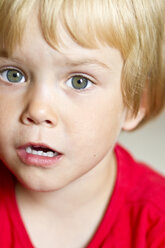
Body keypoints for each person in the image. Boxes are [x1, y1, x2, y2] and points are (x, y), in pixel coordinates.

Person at [0, 0, 164, 247]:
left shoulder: (155, 222)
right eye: (13, 74)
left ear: (135, 103)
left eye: (79, 81)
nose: (38, 110)